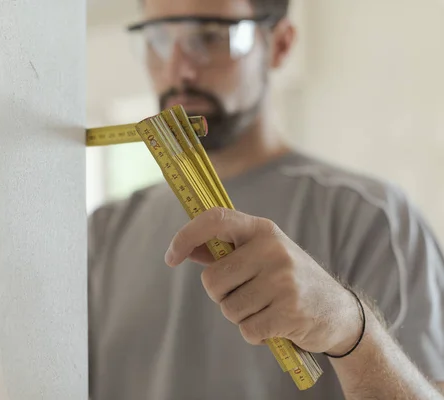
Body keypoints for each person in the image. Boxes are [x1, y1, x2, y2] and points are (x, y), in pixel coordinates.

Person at [88, 0, 444, 399]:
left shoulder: (374, 219)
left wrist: (350, 328)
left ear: (280, 45)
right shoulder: (103, 231)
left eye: (209, 36)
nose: (179, 70)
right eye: (157, 38)